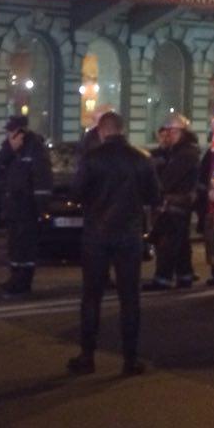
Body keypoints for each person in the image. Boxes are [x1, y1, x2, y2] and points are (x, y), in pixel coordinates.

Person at [67, 111, 160, 377]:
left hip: (96, 234)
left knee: (91, 297)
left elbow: (76, 193)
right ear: (122, 130)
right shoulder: (141, 159)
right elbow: (154, 196)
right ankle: (130, 359)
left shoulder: (92, 158)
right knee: (130, 298)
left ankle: (87, 356)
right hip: (129, 235)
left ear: (101, 131)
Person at [0, 114, 53, 294]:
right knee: (14, 244)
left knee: (26, 245)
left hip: (28, 206)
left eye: (12, 131)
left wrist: (41, 208)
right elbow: (0, 167)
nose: (9, 134)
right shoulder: (9, 147)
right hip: (13, 205)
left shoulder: (35, 148)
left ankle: (23, 281)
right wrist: (11, 149)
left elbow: (42, 178)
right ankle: (15, 277)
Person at [147, 113, 201, 290]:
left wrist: (155, 188)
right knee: (181, 242)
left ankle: (162, 279)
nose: (168, 135)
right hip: (179, 203)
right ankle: (185, 276)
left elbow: (167, 180)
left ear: (181, 132)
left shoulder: (185, 154)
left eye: (172, 132)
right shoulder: (179, 151)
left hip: (176, 203)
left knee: (167, 243)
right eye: (167, 132)